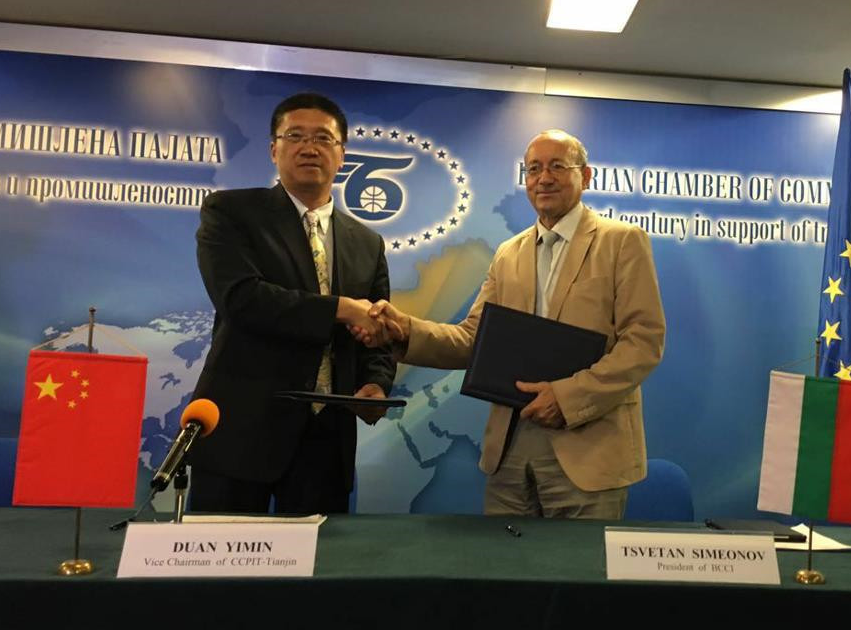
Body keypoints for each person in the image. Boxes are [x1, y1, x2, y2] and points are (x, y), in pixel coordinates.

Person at [362, 129, 665, 519]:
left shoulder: (622, 241)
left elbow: (643, 342)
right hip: (510, 452)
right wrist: (406, 329)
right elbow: (473, 339)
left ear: (586, 176)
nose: (544, 178)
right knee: (503, 559)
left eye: (558, 166)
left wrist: (567, 398)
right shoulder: (509, 253)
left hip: (588, 449)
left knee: (577, 561)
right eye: (534, 169)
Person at [189, 92, 396, 515]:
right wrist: (341, 308)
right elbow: (241, 299)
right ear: (273, 150)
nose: (309, 147)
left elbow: (378, 329)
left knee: (318, 556)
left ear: (342, 155)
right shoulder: (231, 212)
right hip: (241, 430)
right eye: (295, 136)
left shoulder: (367, 243)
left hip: (326, 438)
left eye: (323, 138)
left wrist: (376, 383)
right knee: (217, 553)